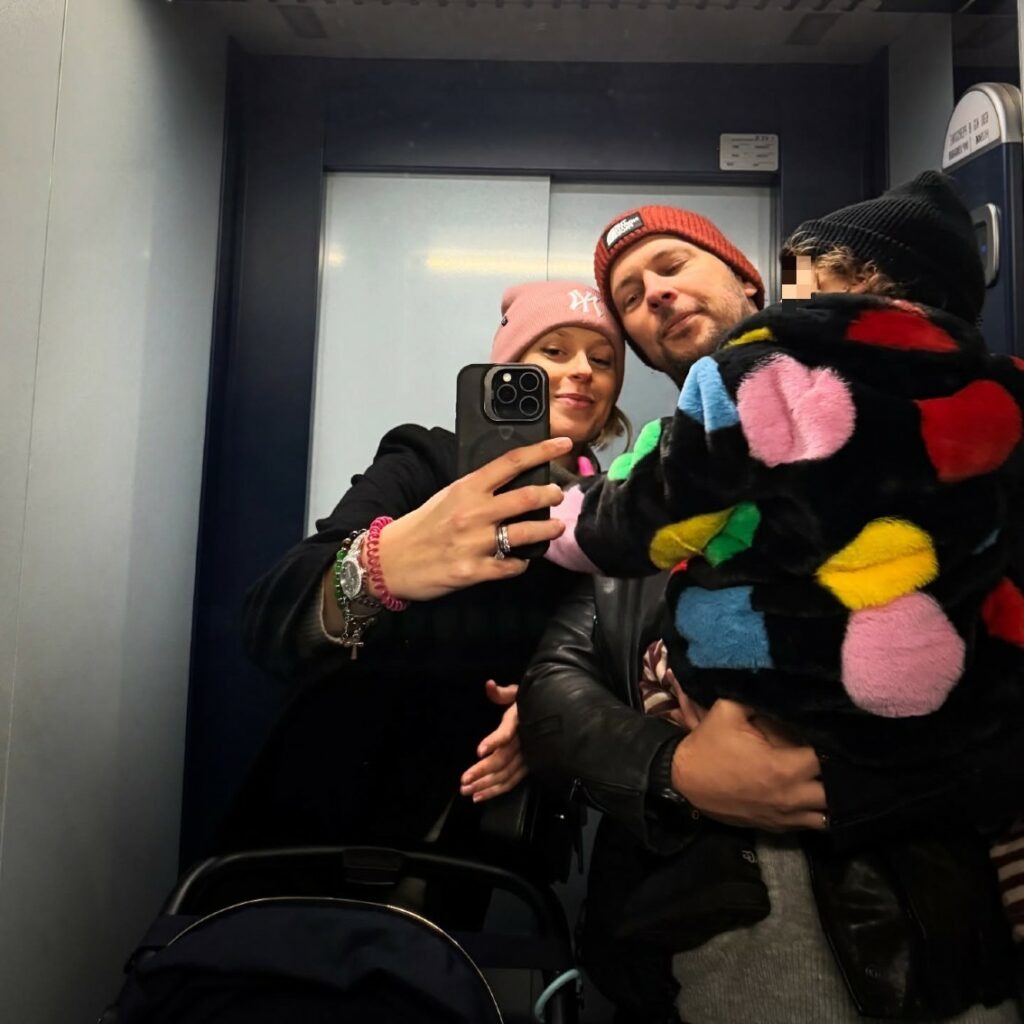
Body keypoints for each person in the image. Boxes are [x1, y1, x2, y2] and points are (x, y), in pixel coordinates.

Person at [518, 187, 1024, 1023]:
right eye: (631, 298)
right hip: (702, 909)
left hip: (924, 911)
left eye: (672, 265)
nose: (656, 296)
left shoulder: (958, 438)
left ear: (756, 283)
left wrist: (854, 780)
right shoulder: (637, 495)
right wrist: (678, 772)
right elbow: (553, 693)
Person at [217, 280, 627, 871]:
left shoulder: (616, 513)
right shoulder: (426, 461)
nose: (583, 370)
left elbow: (613, 659)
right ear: (508, 371)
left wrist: (556, 714)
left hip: (483, 846)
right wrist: (380, 564)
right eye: (554, 351)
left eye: (603, 359)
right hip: (334, 813)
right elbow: (269, 619)